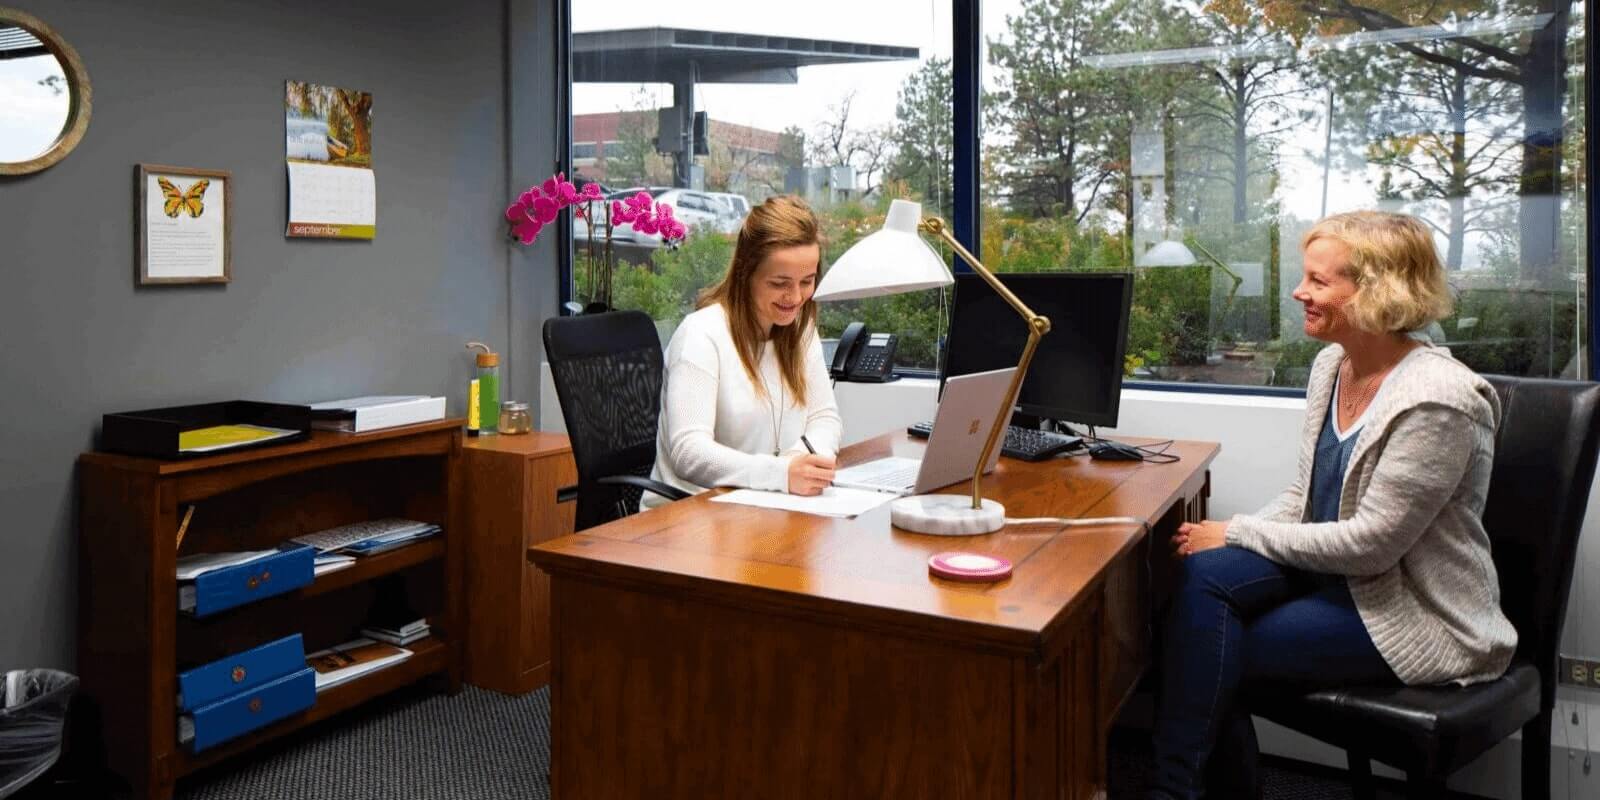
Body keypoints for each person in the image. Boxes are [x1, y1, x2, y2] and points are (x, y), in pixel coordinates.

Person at [1147, 211, 1516, 799]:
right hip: (1330, 579)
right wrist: (1229, 536)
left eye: (1318, 282)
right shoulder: (1333, 367)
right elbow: (1304, 495)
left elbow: (1371, 547)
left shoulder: (1438, 400)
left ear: (1376, 291)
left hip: (1407, 609)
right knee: (1198, 577)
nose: (1299, 292)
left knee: (1205, 651)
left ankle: (1173, 792)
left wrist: (1238, 531)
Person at [646, 195, 842, 506]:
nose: (795, 297)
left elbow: (825, 418)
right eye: (780, 283)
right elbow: (689, 452)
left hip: (764, 508)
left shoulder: (799, 329)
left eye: (807, 281)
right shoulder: (701, 335)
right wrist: (780, 474)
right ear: (745, 273)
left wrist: (798, 461)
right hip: (689, 518)